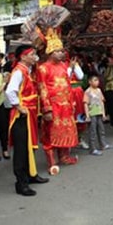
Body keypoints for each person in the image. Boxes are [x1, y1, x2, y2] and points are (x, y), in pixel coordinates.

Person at [5, 45, 49, 196]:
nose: (34, 57)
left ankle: (31, 174)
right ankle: (21, 183)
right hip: (22, 115)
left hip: (30, 113)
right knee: (22, 149)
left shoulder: (28, 71)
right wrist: (18, 106)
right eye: (32, 54)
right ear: (23, 57)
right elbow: (10, 90)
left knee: (30, 146)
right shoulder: (18, 72)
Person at [37, 32, 80, 176]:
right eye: (58, 51)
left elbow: (68, 84)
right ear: (50, 52)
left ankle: (64, 156)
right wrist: (47, 109)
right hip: (53, 106)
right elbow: (42, 88)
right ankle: (52, 162)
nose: (62, 53)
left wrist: (72, 101)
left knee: (66, 130)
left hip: (66, 105)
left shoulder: (63, 65)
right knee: (51, 133)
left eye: (62, 51)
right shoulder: (43, 68)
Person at [83, 75, 112, 156]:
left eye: (97, 80)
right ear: (90, 82)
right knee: (92, 131)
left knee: (101, 129)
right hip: (92, 113)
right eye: (95, 80)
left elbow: (102, 102)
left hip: (99, 112)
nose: (97, 82)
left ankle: (103, 144)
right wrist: (87, 115)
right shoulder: (87, 92)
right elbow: (85, 104)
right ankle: (93, 149)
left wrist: (103, 113)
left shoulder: (99, 90)